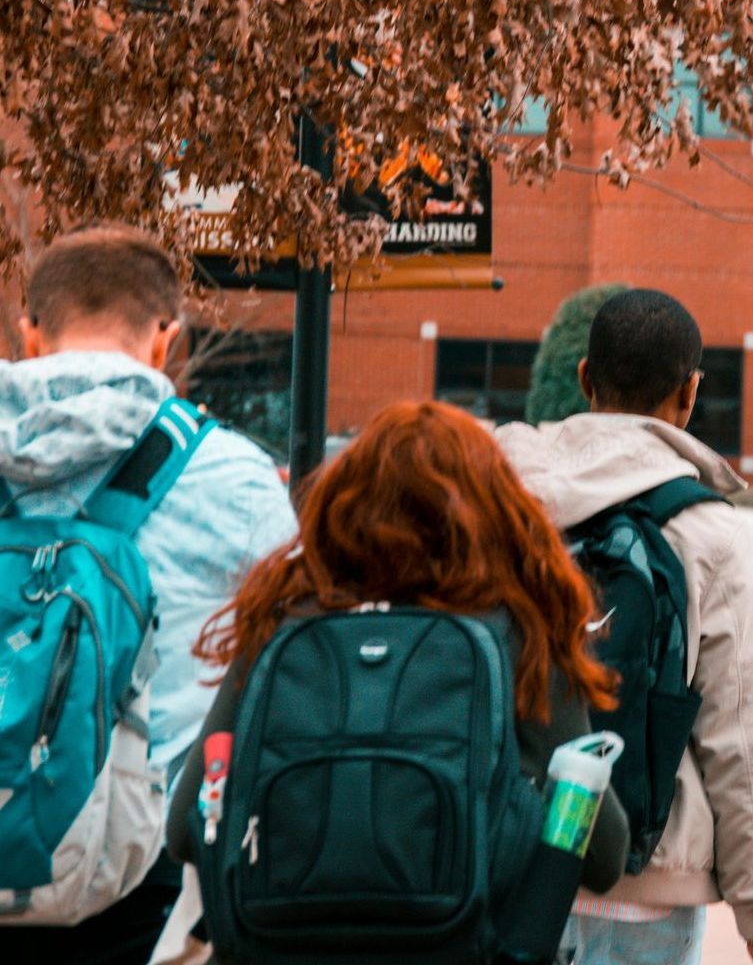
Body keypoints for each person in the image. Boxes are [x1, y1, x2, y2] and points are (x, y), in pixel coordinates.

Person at [169, 400, 630, 957]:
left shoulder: (285, 623)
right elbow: (604, 854)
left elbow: (187, 824)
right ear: (494, 512)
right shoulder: (520, 635)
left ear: (343, 506)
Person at [497, 289, 753, 965]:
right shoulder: (709, 531)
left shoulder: (504, 501)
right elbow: (743, 735)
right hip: (645, 885)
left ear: (586, 376)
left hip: (510, 859)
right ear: (690, 393)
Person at [0, 226, 296, 965]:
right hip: (153, 858)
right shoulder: (235, 475)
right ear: (168, 339)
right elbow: (283, 669)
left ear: (30, 333)